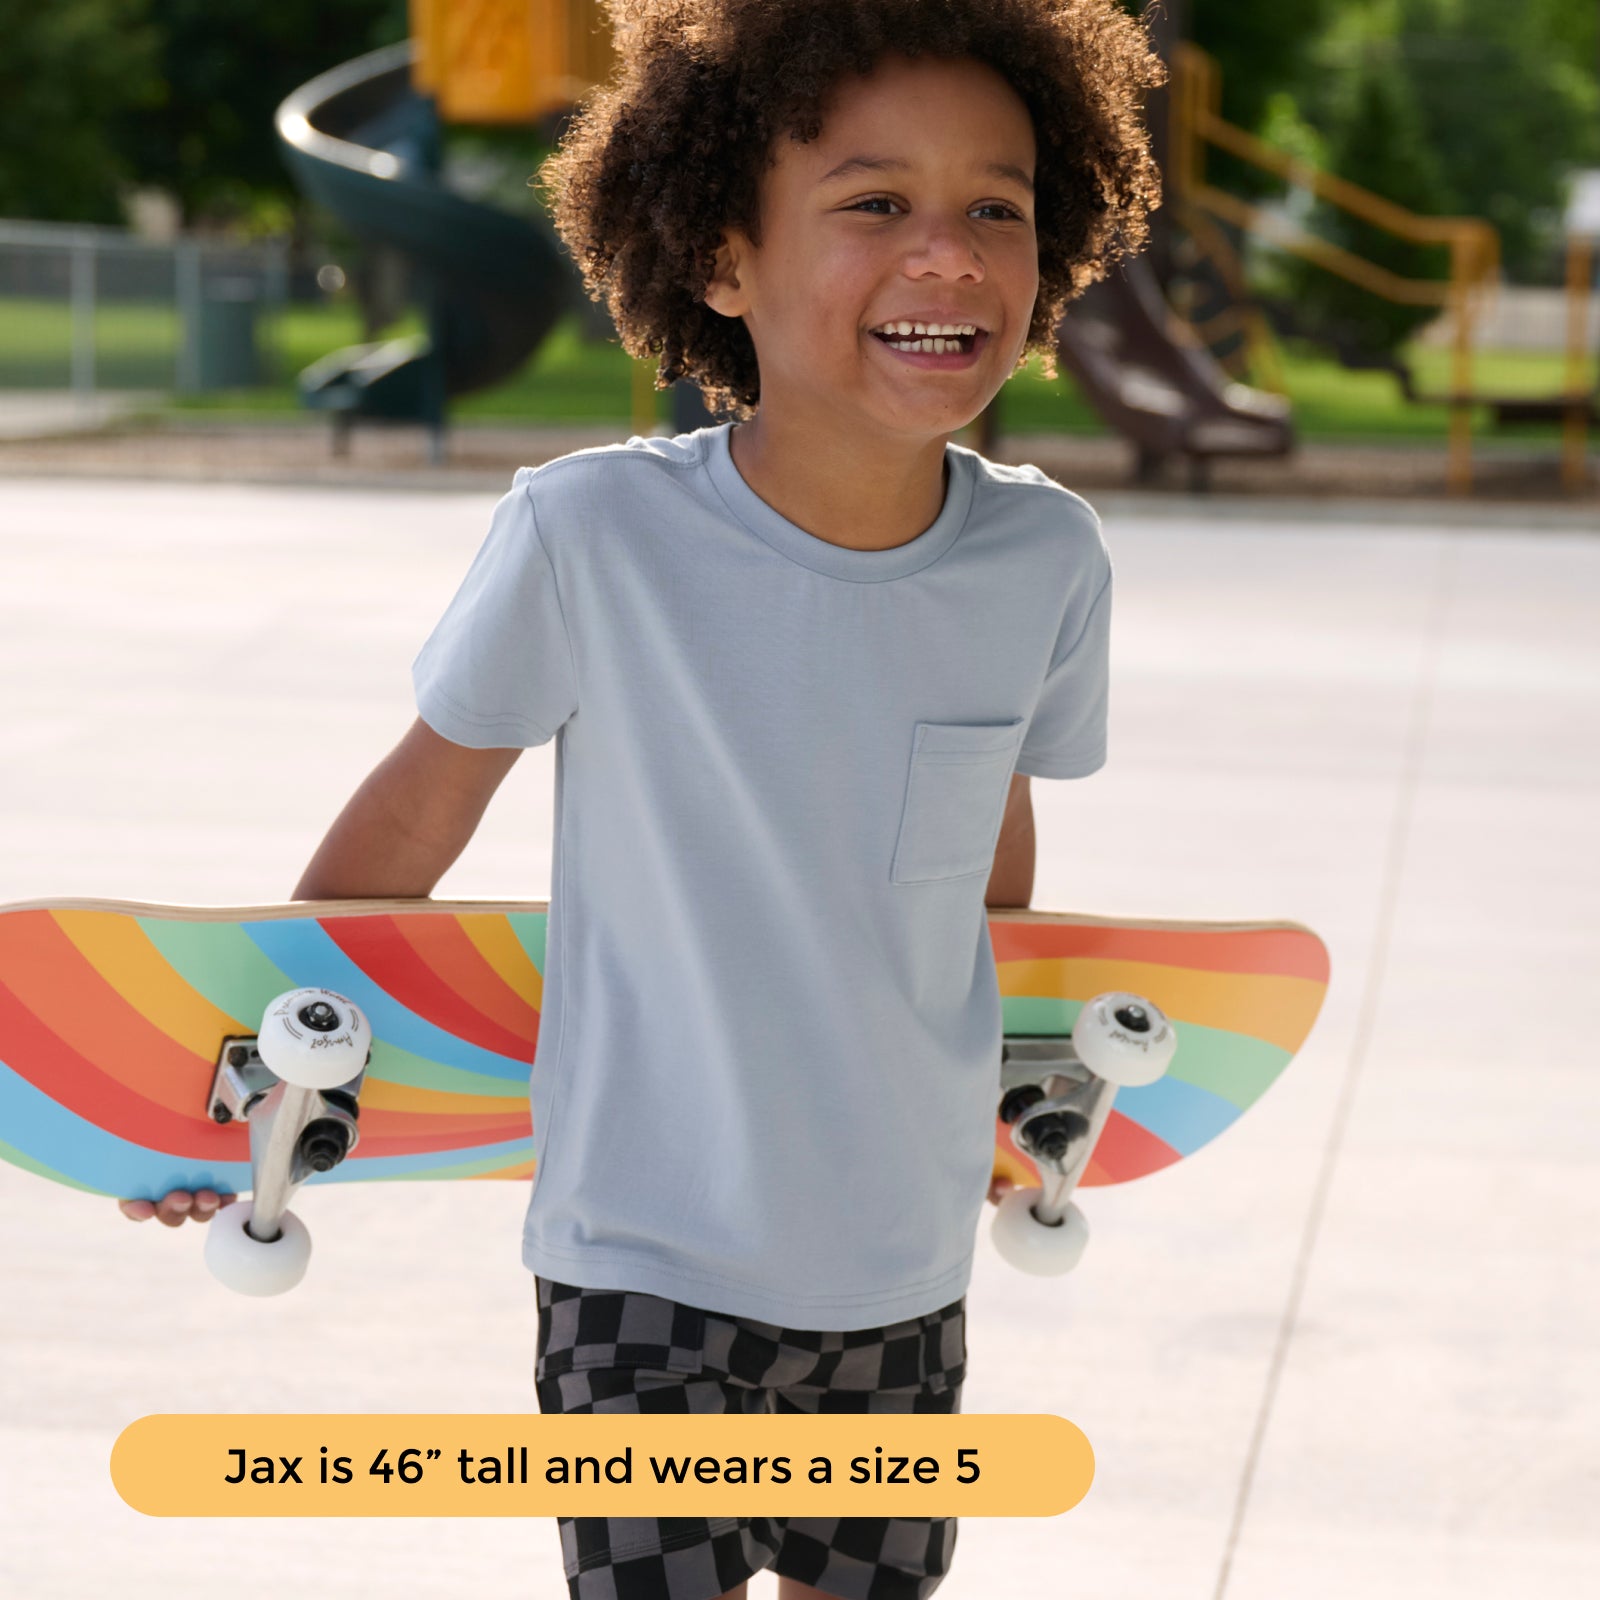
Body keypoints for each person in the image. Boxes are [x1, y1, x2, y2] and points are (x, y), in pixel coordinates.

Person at [121, 1, 1161, 1593]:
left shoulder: (1044, 562)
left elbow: (988, 853)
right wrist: (248, 1068)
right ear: (722, 259)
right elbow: (411, 819)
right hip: (640, 1264)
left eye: (996, 207)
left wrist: (1022, 1099)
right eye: (875, 202)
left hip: (904, 1257)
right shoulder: (594, 537)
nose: (947, 253)